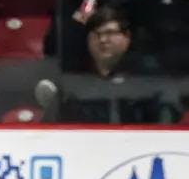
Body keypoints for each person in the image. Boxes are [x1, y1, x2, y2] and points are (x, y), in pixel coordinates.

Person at [45, 7, 182, 125]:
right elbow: (50, 126)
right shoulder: (74, 76)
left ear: (126, 37)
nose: (103, 40)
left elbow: (166, 120)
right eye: (96, 34)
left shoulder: (148, 75)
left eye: (110, 33)